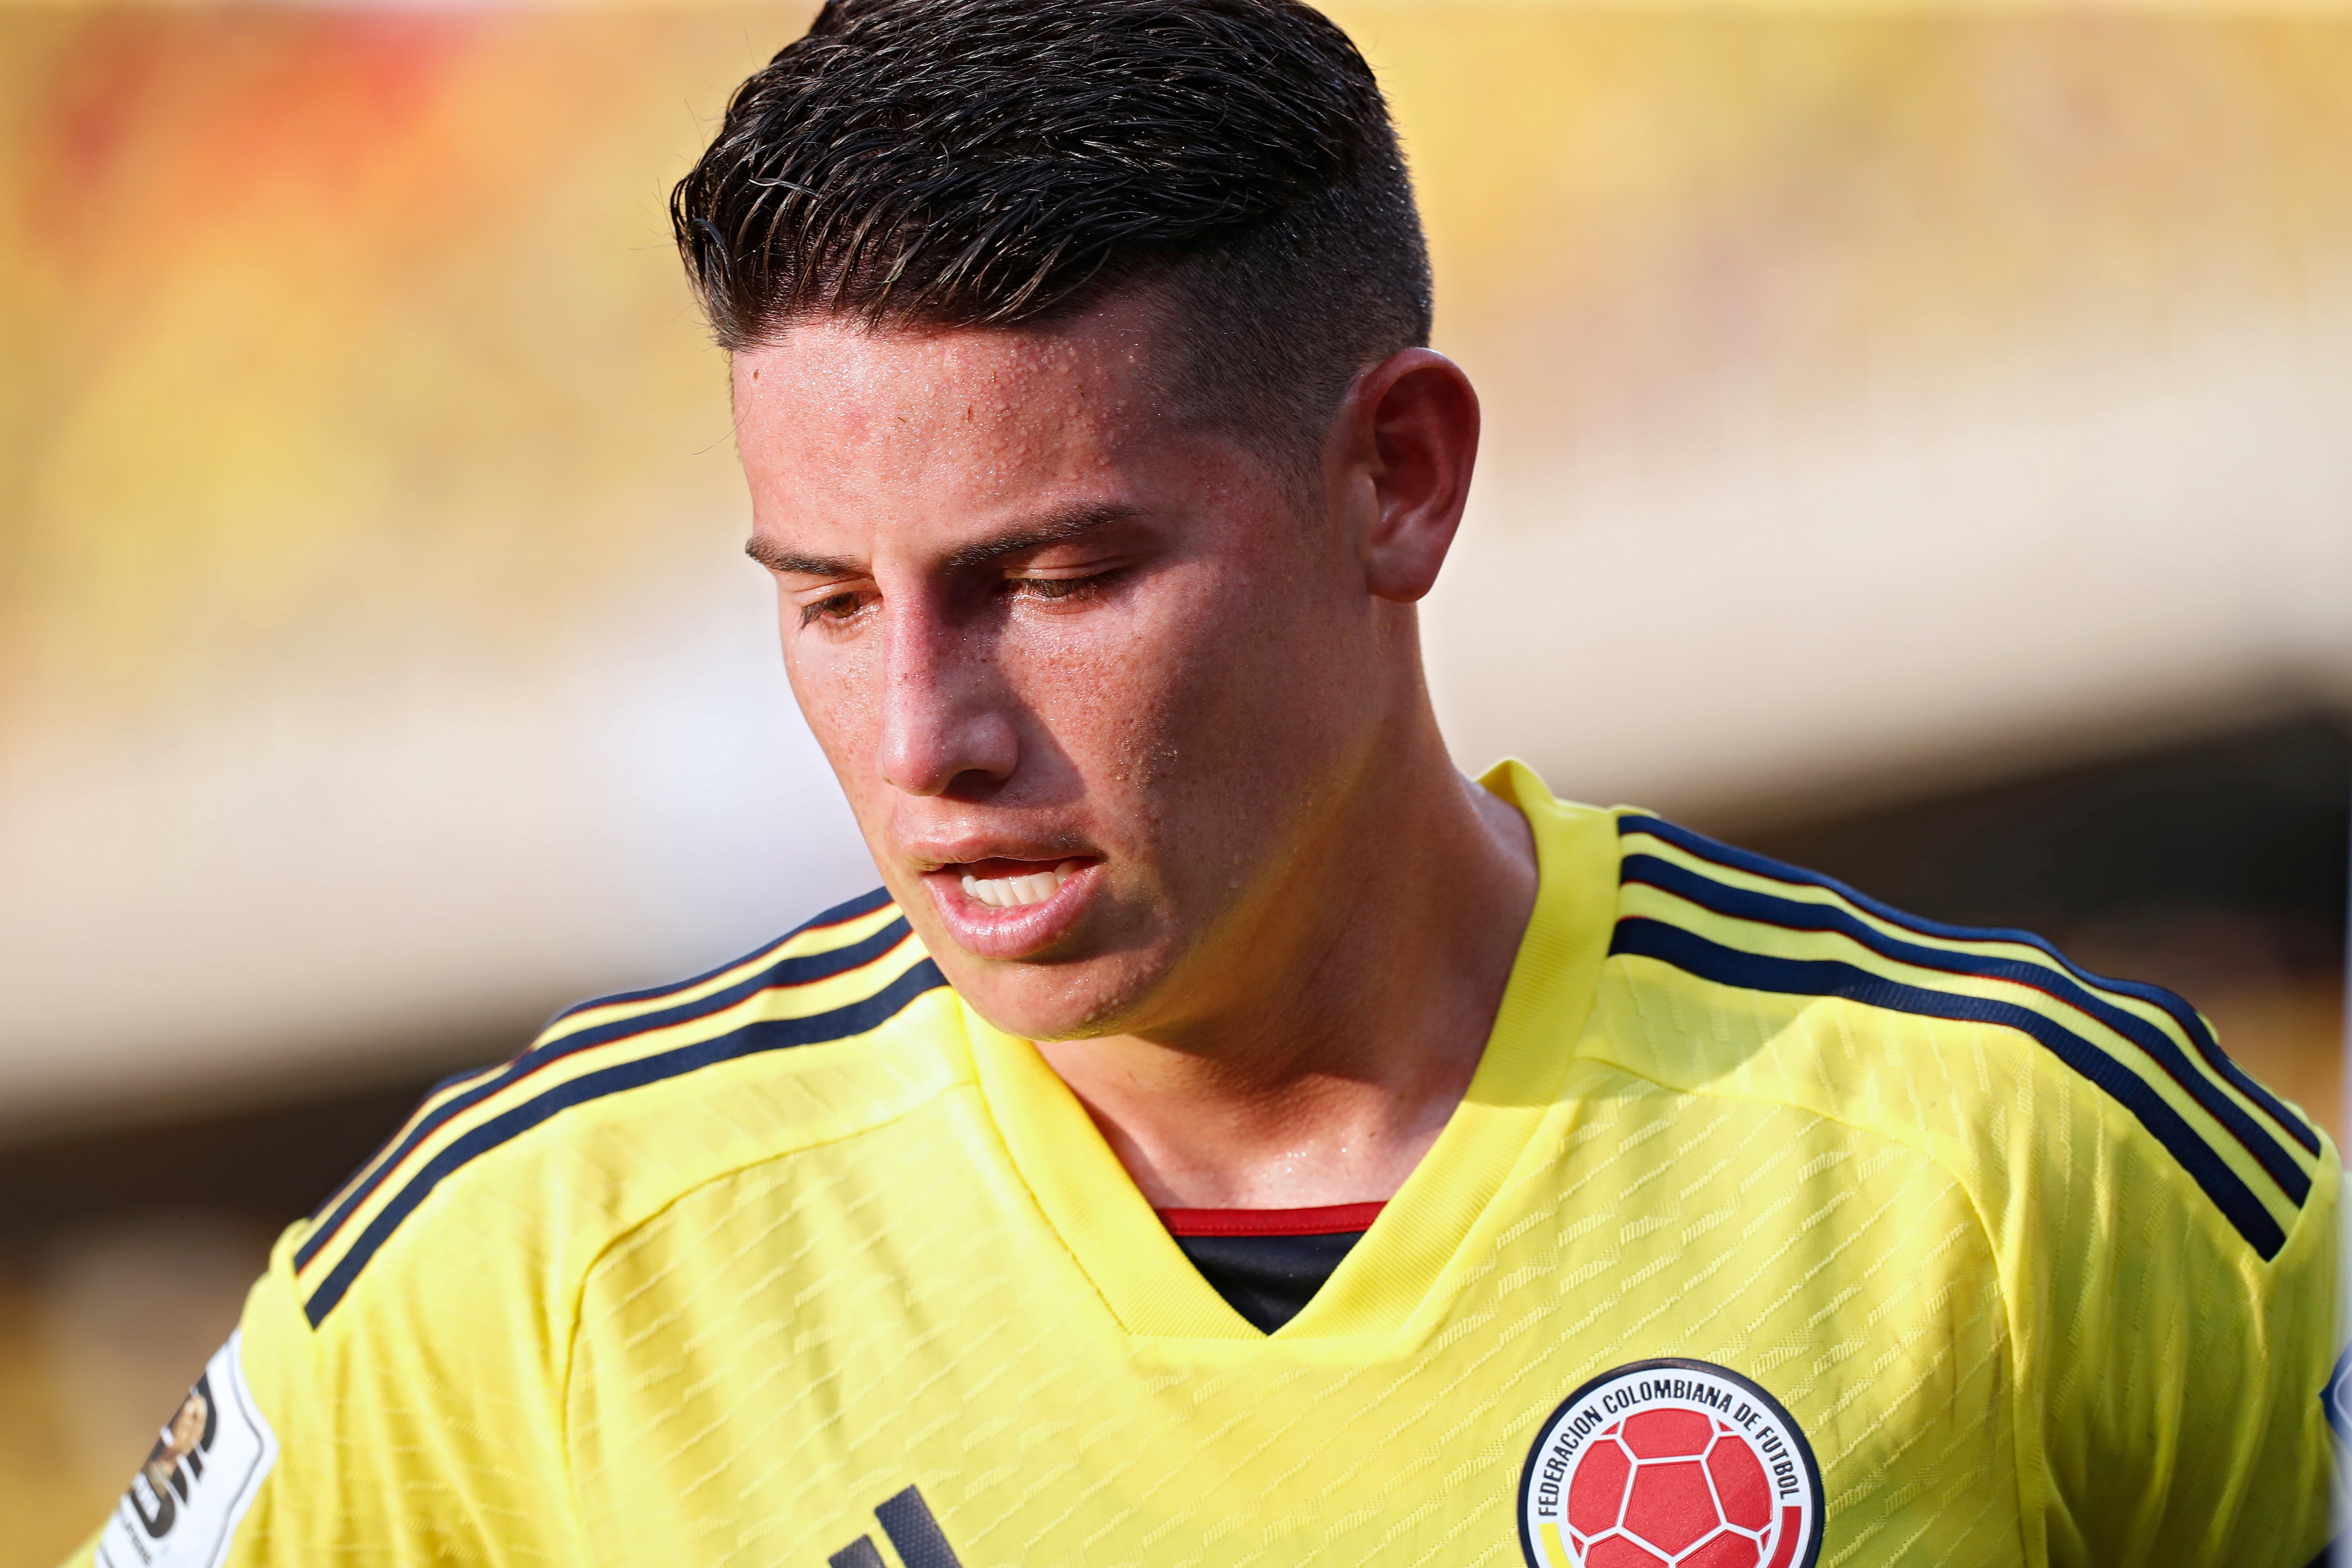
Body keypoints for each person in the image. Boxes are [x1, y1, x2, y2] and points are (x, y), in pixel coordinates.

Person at [69, 2, 2340, 1565]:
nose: (924, 739)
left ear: (1397, 481)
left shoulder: (2019, 1166)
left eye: (1053, 576)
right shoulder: (541, 1265)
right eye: (830, 604)